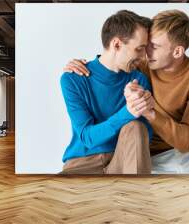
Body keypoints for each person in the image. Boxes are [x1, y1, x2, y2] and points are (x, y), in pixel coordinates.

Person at [64, 9, 189, 174]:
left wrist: (148, 111)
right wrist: (80, 66)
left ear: (177, 51)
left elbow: (185, 141)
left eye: (153, 47)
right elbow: (114, 60)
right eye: (143, 46)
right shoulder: (138, 67)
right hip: (152, 153)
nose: (144, 54)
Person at [59, 10, 155, 175]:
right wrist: (129, 112)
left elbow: (145, 134)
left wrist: (146, 111)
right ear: (116, 44)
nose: (144, 57)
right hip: (82, 163)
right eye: (139, 49)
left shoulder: (139, 79)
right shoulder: (73, 79)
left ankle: (139, 196)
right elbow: (87, 137)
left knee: (136, 127)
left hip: (124, 158)